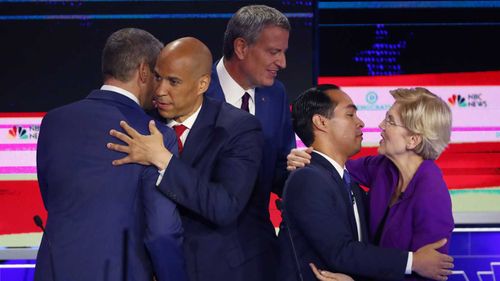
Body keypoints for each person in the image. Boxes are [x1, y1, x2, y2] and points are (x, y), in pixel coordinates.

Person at [106, 37, 268, 281]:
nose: (160, 90)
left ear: (202, 83)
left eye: (173, 82)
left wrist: (164, 160)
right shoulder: (140, 122)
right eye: (158, 77)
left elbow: (224, 206)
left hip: (218, 270)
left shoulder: (239, 128)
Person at [35, 28, 187, 281]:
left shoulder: (54, 121)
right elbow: (162, 230)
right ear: (143, 72)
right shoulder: (153, 134)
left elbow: (53, 198)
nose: (160, 87)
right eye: (157, 76)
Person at [278, 85, 453, 281]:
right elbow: (333, 166)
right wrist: (302, 157)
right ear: (321, 122)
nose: (380, 125)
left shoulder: (431, 193)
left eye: (390, 121)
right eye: (350, 115)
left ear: (412, 140)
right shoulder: (382, 168)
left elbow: (429, 269)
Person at [206, 6, 296, 267]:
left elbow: (278, 167)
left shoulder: (276, 94)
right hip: (203, 251)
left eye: (284, 53)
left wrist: (300, 172)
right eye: (273, 52)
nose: (282, 63)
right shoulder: (195, 90)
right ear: (242, 48)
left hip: (258, 247)